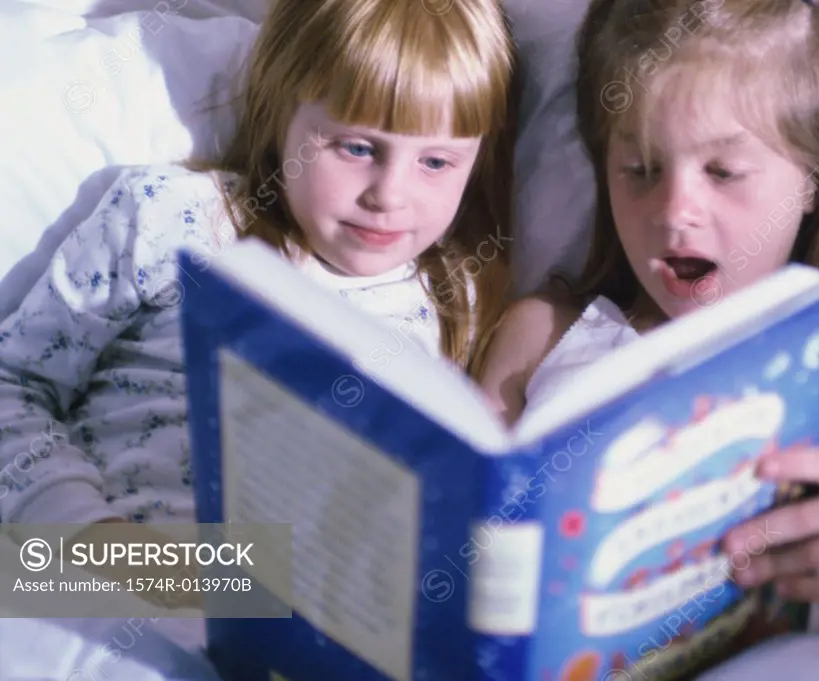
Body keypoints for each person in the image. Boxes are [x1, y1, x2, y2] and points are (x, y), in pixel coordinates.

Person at [479, 0, 819, 642]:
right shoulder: (539, 337)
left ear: (816, 180)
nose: (675, 211)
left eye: (723, 171)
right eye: (641, 169)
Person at [0, 0, 517, 600]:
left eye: (436, 161)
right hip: (96, 587)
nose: (390, 195)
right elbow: (13, 383)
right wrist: (90, 534)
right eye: (356, 148)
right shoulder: (175, 217)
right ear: (280, 112)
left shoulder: (457, 300)